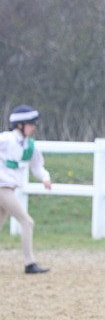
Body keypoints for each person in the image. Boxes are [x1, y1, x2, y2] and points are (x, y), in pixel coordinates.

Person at [0, 105, 52, 274]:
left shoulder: (30, 146)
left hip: (9, 188)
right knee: (26, 221)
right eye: (30, 123)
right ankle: (29, 263)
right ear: (20, 125)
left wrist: (45, 178)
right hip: (2, 187)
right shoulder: (6, 139)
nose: (33, 127)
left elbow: (37, 167)